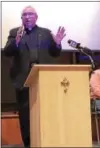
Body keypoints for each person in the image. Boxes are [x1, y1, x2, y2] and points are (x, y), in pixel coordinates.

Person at [3, 6, 66, 147]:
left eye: (30, 14)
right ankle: (28, 143)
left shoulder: (45, 33)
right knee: (25, 115)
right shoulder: (15, 32)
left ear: (36, 17)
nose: (27, 17)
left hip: (43, 79)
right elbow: (7, 52)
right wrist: (16, 41)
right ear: (21, 18)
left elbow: (55, 54)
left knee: (45, 112)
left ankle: (46, 140)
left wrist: (57, 44)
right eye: (24, 14)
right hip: (22, 80)